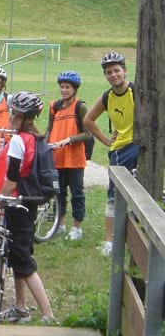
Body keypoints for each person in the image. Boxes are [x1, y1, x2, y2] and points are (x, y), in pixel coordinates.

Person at [0, 91, 56, 323]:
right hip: (29, 203)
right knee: (17, 255)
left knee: (24, 260)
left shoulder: (19, 140)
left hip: (17, 204)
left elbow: (12, 179)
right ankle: (20, 305)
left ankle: (47, 313)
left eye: (12, 112)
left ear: (18, 114)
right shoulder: (36, 138)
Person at [83, 52, 138, 257]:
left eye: (117, 70)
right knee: (113, 197)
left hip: (138, 146)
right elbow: (88, 120)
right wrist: (106, 140)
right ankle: (109, 241)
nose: (114, 75)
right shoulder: (107, 96)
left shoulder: (136, 91)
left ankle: (135, 239)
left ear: (125, 70)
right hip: (119, 150)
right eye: (109, 72)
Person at [46, 71, 92, 241]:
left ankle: (77, 227)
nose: (64, 90)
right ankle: (60, 223)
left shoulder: (80, 107)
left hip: (74, 160)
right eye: (62, 87)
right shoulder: (54, 107)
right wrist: (45, 143)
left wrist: (69, 140)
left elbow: (88, 133)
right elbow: (50, 129)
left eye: (67, 87)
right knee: (58, 193)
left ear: (74, 89)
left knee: (77, 193)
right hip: (57, 158)